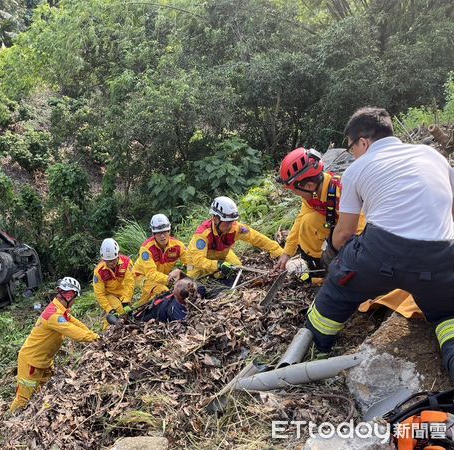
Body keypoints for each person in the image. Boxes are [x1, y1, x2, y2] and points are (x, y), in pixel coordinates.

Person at [305, 107, 454, 379]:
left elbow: (345, 232)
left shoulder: (358, 168)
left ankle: (317, 350)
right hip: (441, 255)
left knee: (338, 289)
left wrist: (332, 259)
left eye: (351, 148)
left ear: (364, 141)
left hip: (382, 252)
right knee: (448, 315)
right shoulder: (432, 155)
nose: (353, 154)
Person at [275, 147, 420, 318]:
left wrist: (349, 267)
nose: (295, 194)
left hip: (380, 233)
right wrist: (286, 253)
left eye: (294, 190)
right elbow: (301, 219)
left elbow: (366, 233)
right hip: (343, 230)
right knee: (308, 220)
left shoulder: (341, 191)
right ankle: (320, 270)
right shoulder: (313, 196)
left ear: (308, 185)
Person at [10, 277, 99, 413]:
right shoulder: (54, 316)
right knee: (23, 399)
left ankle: (32, 418)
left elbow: (76, 324)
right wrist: (96, 339)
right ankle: (8, 423)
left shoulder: (61, 311)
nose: (75, 302)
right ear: (69, 295)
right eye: (75, 298)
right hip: (31, 362)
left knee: (42, 395)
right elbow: (74, 332)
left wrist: (94, 334)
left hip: (44, 361)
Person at [185, 196, 283, 281]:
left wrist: (278, 251)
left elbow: (257, 238)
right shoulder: (202, 235)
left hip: (221, 255)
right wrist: (218, 265)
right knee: (195, 283)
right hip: (196, 264)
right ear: (215, 219)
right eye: (227, 222)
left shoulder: (236, 228)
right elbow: (198, 260)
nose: (231, 225)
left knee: (237, 268)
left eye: (232, 221)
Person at [133, 213, 188, 308]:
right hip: (141, 275)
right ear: (153, 234)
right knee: (162, 291)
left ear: (169, 231)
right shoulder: (146, 249)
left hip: (159, 276)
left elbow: (190, 262)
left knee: (146, 299)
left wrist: (188, 275)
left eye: (165, 232)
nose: (162, 236)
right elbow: (150, 273)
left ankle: (135, 313)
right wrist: (169, 279)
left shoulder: (178, 246)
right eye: (159, 233)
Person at [93, 238, 135, 327]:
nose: (111, 263)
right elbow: (99, 294)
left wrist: (126, 301)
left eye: (113, 260)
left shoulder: (126, 262)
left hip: (123, 292)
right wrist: (109, 309)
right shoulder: (99, 272)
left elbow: (129, 283)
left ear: (117, 255)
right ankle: (107, 333)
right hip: (109, 295)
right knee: (117, 310)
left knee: (127, 312)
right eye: (108, 261)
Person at [135, 278, 201, 323]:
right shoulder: (197, 291)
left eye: (174, 293)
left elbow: (183, 323)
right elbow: (197, 286)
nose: (172, 292)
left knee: (137, 321)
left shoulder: (177, 311)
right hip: (158, 304)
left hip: (155, 315)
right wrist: (181, 273)